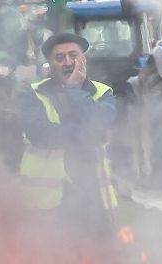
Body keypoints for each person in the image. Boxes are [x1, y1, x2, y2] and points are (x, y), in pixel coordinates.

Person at [17, 32, 118, 236]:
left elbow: (100, 121)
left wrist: (74, 90)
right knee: (51, 263)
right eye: (60, 57)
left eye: (74, 55)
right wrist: (86, 134)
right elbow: (42, 135)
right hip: (49, 203)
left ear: (84, 59)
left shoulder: (103, 92)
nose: (68, 62)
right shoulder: (33, 94)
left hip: (96, 198)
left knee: (101, 262)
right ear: (50, 64)